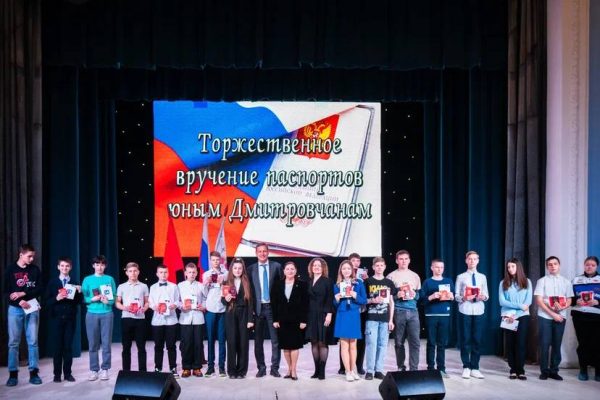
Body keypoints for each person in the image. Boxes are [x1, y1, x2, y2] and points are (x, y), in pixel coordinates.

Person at [5, 244, 43, 386]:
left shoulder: (35, 270)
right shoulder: (10, 270)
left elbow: (40, 289)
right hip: (15, 309)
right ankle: (13, 374)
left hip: (32, 308)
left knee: (33, 341)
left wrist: (23, 293)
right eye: (29, 256)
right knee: (13, 342)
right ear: (21, 255)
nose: (32, 259)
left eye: (33, 256)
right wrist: (19, 301)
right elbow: (6, 291)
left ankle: (34, 373)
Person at [534, 256, 573, 380]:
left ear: (559, 265)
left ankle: (554, 371)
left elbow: (569, 300)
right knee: (544, 344)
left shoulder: (566, 282)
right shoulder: (542, 281)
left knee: (557, 344)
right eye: (550, 264)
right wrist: (553, 314)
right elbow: (539, 301)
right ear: (547, 267)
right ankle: (544, 371)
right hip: (545, 316)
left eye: (555, 264)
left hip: (561, 316)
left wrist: (562, 307)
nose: (553, 266)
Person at [45, 257, 82, 383]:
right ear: (58, 267)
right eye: (62, 266)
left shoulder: (74, 282)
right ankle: (57, 375)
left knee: (68, 347)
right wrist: (57, 298)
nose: (64, 268)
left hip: (70, 319)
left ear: (70, 267)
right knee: (57, 348)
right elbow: (46, 302)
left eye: (67, 266)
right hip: (56, 319)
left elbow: (78, 302)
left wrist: (79, 292)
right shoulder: (53, 282)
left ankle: (67, 374)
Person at [247, 243, 282, 377]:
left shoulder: (276, 266)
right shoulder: (251, 269)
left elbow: (281, 288)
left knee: (275, 341)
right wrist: (251, 310)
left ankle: (275, 368)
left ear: (268, 252)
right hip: (258, 309)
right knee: (258, 341)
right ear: (256, 253)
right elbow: (249, 291)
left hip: (272, 308)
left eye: (264, 251)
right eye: (259, 251)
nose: (262, 253)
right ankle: (261, 368)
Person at [271, 261, 308, 380]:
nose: (290, 271)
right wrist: (275, 320)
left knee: (294, 346)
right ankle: (289, 369)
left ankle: (294, 370)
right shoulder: (277, 284)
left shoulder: (302, 284)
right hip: (282, 320)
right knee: (285, 346)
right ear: (284, 271)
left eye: (292, 269)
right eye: (287, 269)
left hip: (296, 321)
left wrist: (304, 320)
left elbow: (305, 304)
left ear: (296, 271)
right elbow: (274, 303)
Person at [455, 250, 489, 379]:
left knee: (477, 340)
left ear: (478, 261)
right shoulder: (461, 277)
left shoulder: (482, 277)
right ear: (466, 261)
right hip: (465, 310)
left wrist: (483, 297)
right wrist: (464, 297)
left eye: (475, 259)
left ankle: (475, 367)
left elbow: (487, 295)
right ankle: (466, 366)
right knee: (465, 339)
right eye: (470, 259)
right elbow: (456, 296)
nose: (472, 261)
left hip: (479, 310)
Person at [82, 255, 116, 381]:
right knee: (93, 344)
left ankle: (105, 369)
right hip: (91, 314)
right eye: (97, 264)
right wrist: (92, 299)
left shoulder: (109, 279)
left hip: (107, 313)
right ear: (93, 266)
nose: (99, 267)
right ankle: (94, 370)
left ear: (105, 266)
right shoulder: (87, 279)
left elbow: (114, 296)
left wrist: (108, 301)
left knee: (106, 343)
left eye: (102, 264)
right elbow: (83, 297)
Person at [386, 250, 421, 371]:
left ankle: (414, 369)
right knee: (399, 342)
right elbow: (388, 297)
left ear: (409, 260)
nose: (404, 261)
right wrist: (397, 295)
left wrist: (414, 295)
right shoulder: (391, 276)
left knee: (415, 342)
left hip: (413, 312)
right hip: (398, 311)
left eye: (406, 259)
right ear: (397, 261)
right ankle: (401, 367)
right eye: (401, 259)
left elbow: (418, 295)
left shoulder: (415, 276)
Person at [334, 259, 367, 382]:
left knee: (353, 345)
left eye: (348, 268)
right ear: (341, 271)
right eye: (344, 269)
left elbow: (364, 300)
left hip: (353, 315)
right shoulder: (337, 285)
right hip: (342, 315)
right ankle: (347, 371)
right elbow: (334, 305)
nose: (346, 270)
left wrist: (355, 295)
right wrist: (336, 299)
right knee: (344, 345)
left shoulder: (359, 283)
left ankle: (353, 370)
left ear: (352, 270)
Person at [498, 258, 532, 380]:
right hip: (507, 315)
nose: (510, 269)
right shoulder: (503, 283)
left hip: (522, 315)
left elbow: (528, 302)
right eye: (508, 267)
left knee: (521, 343)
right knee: (510, 343)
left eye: (513, 266)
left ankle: (520, 370)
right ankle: (513, 369)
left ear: (518, 267)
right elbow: (502, 301)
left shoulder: (527, 282)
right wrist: (518, 306)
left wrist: (516, 314)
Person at [420, 259, 454, 378]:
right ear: (432, 268)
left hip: (444, 315)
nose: (439, 269)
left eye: (441, 267)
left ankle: (441, 369)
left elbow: (453, 297)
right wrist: (432, 296)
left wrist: (451, 296)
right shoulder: (427, 282)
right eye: (437, 267)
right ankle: (430, 368)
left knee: (442, 344)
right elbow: (422, 301)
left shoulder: (448, 281)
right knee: (431, 342)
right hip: (431, 315)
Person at [221, 258, 254, 379]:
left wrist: (250, 319)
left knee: (243, 343)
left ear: (243, 269)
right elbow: (223, 301)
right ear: (231, 269)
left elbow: (250, 302)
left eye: (240, 268)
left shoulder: (247, 282)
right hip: (230, 313)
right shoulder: (226, 282)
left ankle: (241, 371)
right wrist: (226, 299)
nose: (237, 270)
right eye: (235, 268)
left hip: (244, 313)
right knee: (231, 342)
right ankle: (232, 371)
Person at [363, 257, 395, 380]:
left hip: (385, 318)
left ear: (385, 267)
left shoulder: (389, 282)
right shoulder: (368, 281)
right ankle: (370, 371)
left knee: (382, 345)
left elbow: (391, 302)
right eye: (377, 265)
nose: (379, 267)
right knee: (371, 344)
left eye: (382, 265)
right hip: (371, 318)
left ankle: (379, 370)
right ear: (373, 267)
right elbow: (363, 300)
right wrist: (372, 300)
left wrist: (391, 320)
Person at [115, 262, 149, 372]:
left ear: (138, 272)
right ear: (126, 273)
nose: (133, 273)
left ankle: (143, 372)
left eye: (135, 271)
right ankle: (126, 372)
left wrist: (144, 308)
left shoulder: (144, 286)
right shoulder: (121, 286)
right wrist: (125, 308)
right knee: (126, 347)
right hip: (126, 318)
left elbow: (147, 302)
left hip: (140, 319)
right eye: (130, 271)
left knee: (141, 347)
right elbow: (117, 303)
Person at [571, 256, 600, 381]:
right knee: (583, 344)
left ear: (597, 266)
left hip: (596, 316)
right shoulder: (576, 280)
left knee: (597, 344)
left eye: (592, 265)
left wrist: (597, 302)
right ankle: (583, 370)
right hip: (579, 316)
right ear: (584, 265)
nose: (589, 267)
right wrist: (576, 301)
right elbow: (569, 298)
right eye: (587, 264)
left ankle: (598, 372)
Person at [148, 264, 180, 376]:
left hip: (171, 320)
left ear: (168, 273)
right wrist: (154, 307)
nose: (163, 274)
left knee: (171, 345)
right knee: (158, 346)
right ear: (157, 274)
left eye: (165, 272)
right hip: (157, 320)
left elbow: (178, 300)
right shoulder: (152, 287)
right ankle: (158, 368)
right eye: (161, 272)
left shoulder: (174, 286)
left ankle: (173, 368)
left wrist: (174, 305)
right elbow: (150, 302)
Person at [305, 257, 334, 380]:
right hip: (311, 315)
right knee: (314, 342)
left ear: (323, 268)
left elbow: (330, 298)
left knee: (322, 342)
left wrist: (329, 314)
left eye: (319, 265)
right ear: (311, 268)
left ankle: (322, 371)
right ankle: (316, 370)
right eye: (314, 265)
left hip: (323, 314)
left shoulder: (327, 281)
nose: (316, 267)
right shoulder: (309, 281)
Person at [177, 262, 206, 378]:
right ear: (185, 273)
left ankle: (197, 367)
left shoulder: (201, 285)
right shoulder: (180, 285)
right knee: (186, 344)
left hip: (198, 318)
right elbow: (177, 300)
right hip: (185, 318)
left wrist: (203, 306)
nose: (192, 274)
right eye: (189, 272)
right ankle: (186, 368)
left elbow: (205, 299)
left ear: (197, 273)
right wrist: (181, 306)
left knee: (198, 343)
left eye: (194, 272)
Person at [202, 251, 228, 377]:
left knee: (222, 340)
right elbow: (204, 293)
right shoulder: (206, 274)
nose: (216, 262)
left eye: (217, 260)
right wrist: (206, 284)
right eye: (213, 260)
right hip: (210, 309)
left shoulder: (226, 273)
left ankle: (222, 367)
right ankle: (210, 367)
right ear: (210, 261)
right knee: (211, 339)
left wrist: (223, 282)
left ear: (221, 260)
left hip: (222, 309)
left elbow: (230, 290)